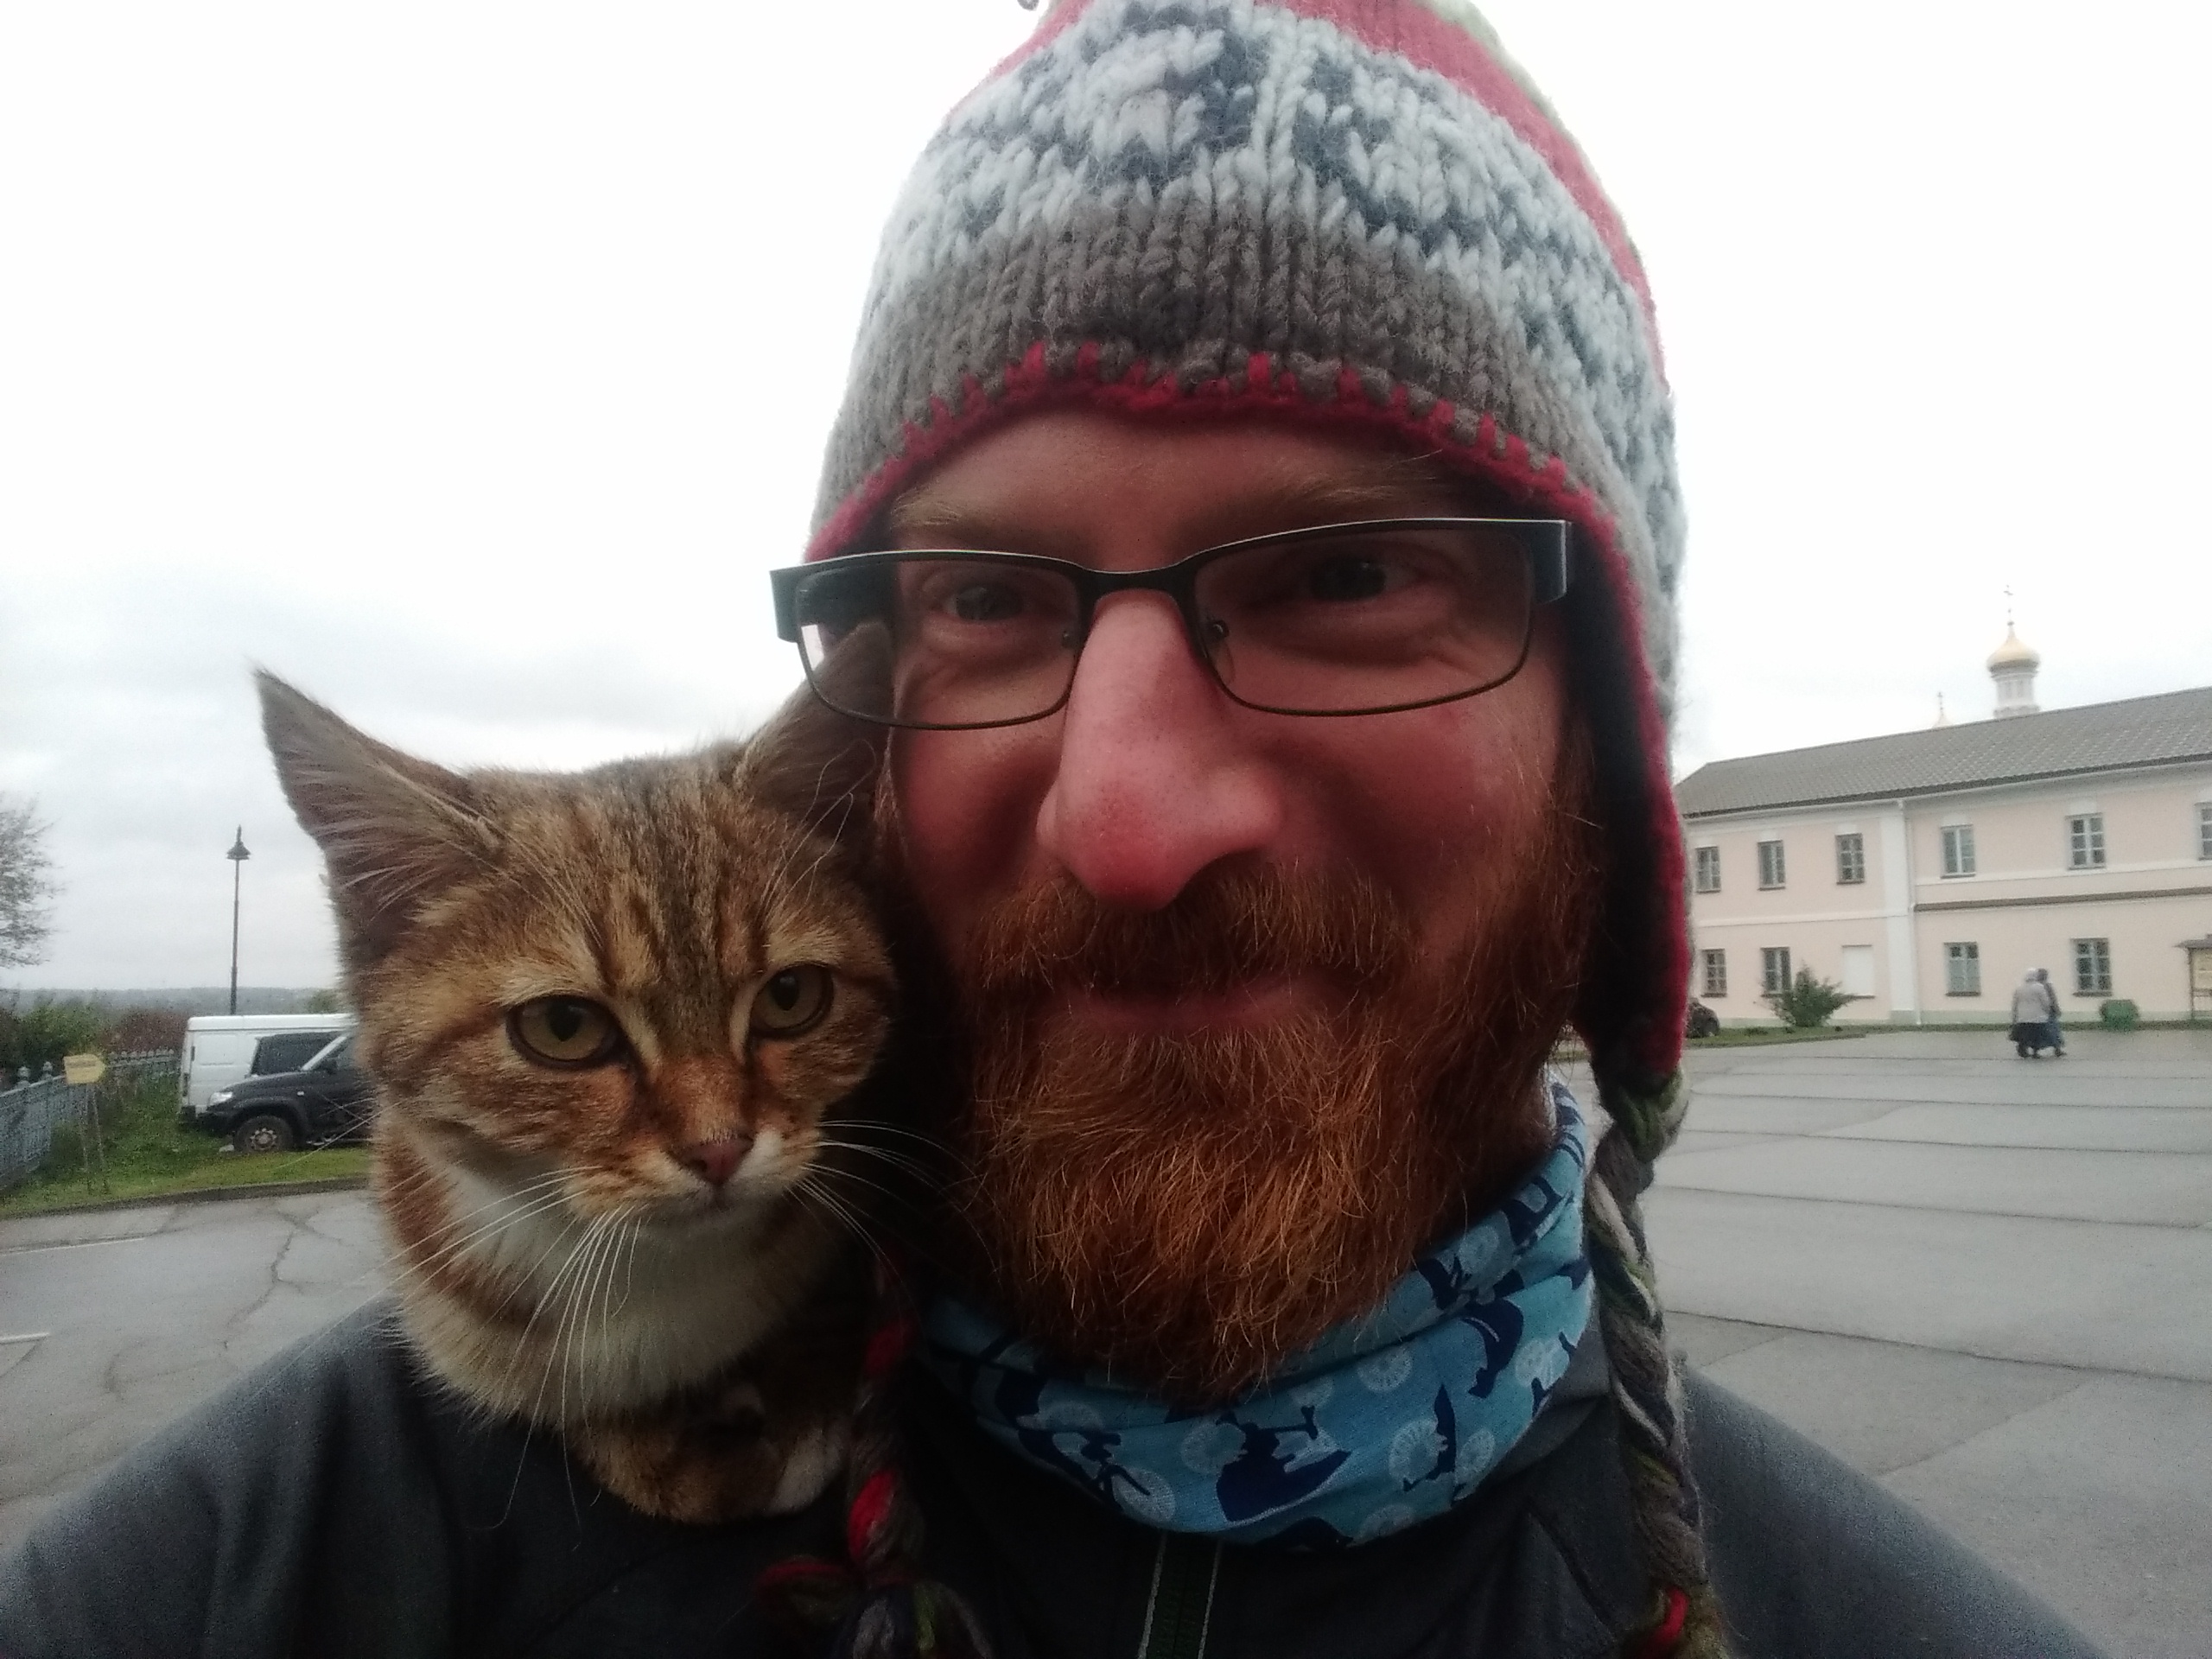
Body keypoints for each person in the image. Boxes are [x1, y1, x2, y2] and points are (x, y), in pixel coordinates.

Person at [0, 3, 2106, 1656]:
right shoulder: (323, 1550)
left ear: (1608, 755)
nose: (1122, 809)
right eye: (985, 602)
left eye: (1347, 573)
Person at [2011, 969, 2063, 1058]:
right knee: (2037, 1035)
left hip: (2023, 1016)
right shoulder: (2039, 987)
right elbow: (2045, 1002)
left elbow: (2015, 1003)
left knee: (2025, 1034)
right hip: (2038, 1016)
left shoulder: (2020, 988)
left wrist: (2015, 1015)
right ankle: (2035, 1052)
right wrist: (2048, 1011)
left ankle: (2022, 1048)